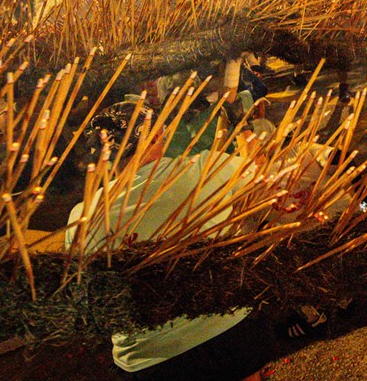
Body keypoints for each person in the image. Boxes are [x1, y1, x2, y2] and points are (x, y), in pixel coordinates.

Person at [65, 106, 277, 381]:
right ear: (157, 137)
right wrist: (243, 126)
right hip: (228, 332)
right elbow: (263, 175)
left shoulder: (82, 217)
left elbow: (86, 295)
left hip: (147, 357)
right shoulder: (206, 169)